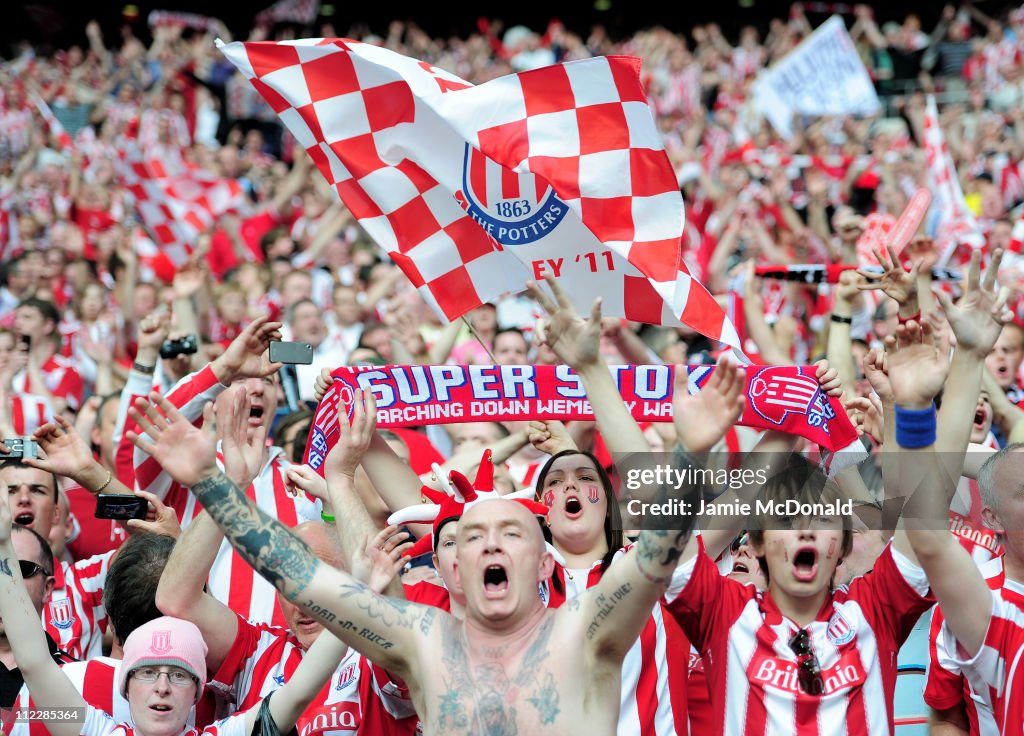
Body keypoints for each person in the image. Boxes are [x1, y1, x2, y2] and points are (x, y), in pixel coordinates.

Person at [127, 378, 697, 736]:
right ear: (451, 566)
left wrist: (689, 448)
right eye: (472, 536)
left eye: (512, 533)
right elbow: (296, 574)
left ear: (546, 565)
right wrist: (209, 479)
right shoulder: (424, 640)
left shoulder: (589, 627)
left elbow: (658, 549)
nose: (492, 543)